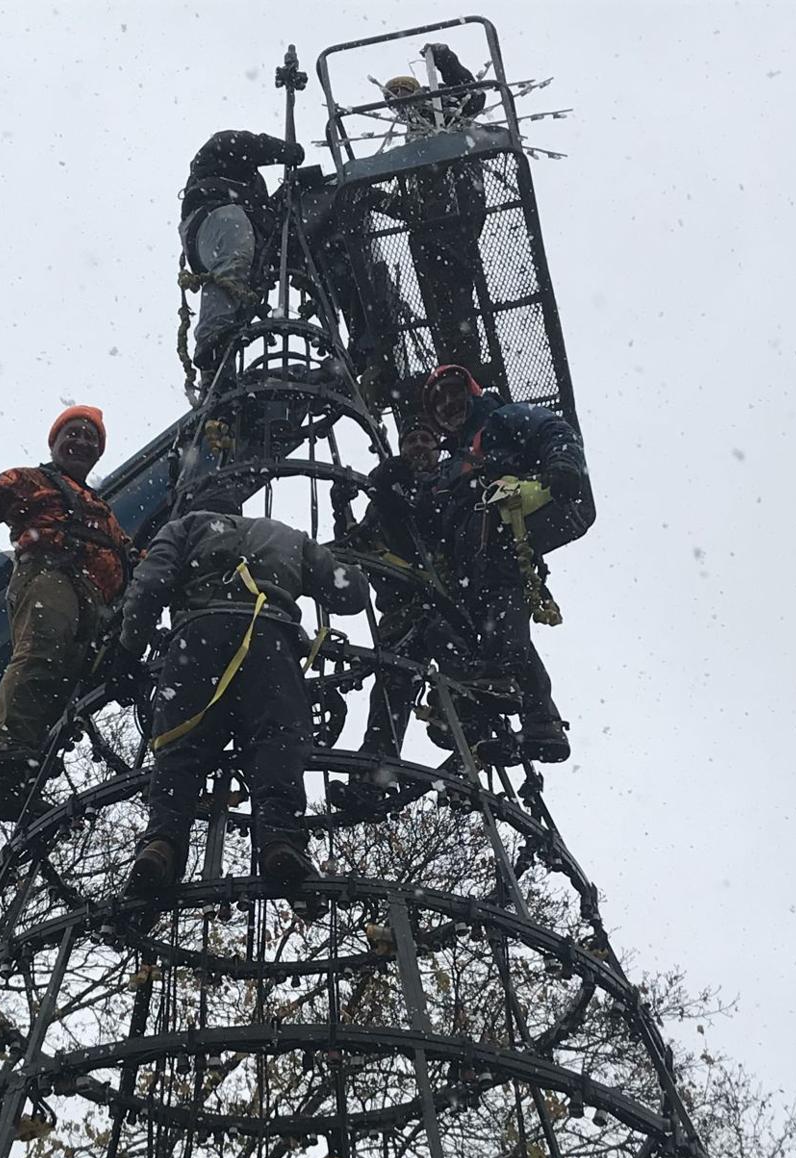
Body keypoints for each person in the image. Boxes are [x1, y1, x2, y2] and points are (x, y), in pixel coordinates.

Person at [118, 489, 370, 893]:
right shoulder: (286, 534)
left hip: (196, 639)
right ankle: (279, 838)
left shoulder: (182, 527)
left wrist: (129, 649)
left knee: (180, 746)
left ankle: (162, 843)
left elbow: (149, 586)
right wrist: (353, 564)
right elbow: (351, 595)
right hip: (269, 639)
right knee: (278, 738)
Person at [0, 406, 128, 820]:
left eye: (90, 439)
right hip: (50, 572)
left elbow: (128, 553)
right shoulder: (32, 480)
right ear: (54, 443)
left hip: (95, 600)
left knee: (68, 690)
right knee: (44, 650)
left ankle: (14, 786)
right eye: (72, 434)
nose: (81, 442)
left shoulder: (101, 509)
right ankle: (5, 746)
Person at [422, 364, 590, 761]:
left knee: (501, 604)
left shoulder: (500, 421)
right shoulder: (453, 462)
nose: (449, 405)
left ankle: (501, 679)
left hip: (501, 526)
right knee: (481, 622)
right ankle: (540, 721)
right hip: (471, 557)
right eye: (439, 402)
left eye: (453, 394)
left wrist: (562, 464)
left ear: (472, 392)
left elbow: (552, 429)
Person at [330, 427, 465, 815]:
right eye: (412, 441)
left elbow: (442, 522)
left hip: (445, 603)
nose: (419, 446)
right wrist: (342, 508)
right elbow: (355, 545)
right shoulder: (389, 491)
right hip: (404, 608)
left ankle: (465, 765)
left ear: (438, 450)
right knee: (391, 690)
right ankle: (373, 777)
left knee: (460, 686)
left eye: (427, 440)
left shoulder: (445, 483)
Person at [380, 43, 488, 375]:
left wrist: (444, 59)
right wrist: (382, 201)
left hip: (455, 208)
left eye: (400, 93)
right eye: (391, 99)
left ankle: (465, 355)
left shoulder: (439, 109)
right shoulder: (414, 139)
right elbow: (414, 201)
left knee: (455, 288)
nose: (397, 103)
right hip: (431, 222)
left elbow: (474, 97)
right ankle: (454, 358)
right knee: (442, 295)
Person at [180, 130, 305, 383]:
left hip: (245, 238)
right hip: (212, 220)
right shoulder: (218, 152)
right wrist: (287, 151)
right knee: (233, 242)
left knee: (241, 272)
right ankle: (212, 341)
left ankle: (218, 372)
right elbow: (248, 144)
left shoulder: (251, 194)